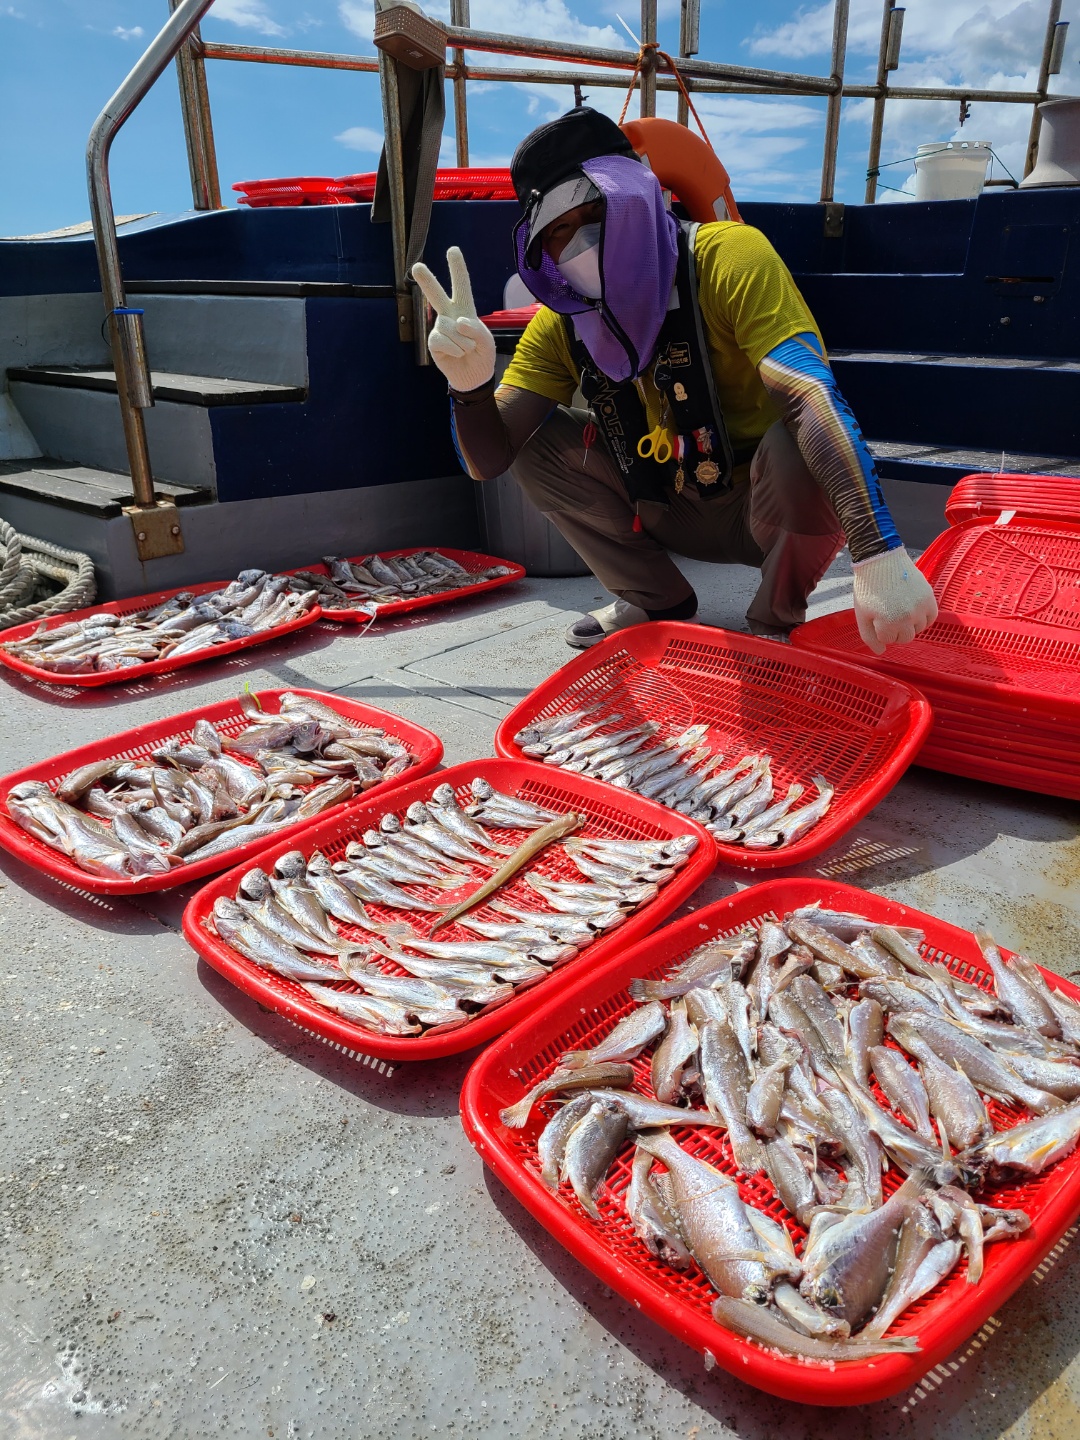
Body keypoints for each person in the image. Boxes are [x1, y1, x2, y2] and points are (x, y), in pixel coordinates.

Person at [412, 106, 938, 653]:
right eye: (559, 232)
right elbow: (488, 461)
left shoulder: (730, 254)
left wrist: (878, 550)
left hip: (763, 510)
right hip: (661, 503)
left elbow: (809, 395)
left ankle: (776, 619)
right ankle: (654, 597)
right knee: (534, 442)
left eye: (597, 212)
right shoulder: (560, 323)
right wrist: (468, 387)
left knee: (797, 436)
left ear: (639, 197)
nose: (582, 241)